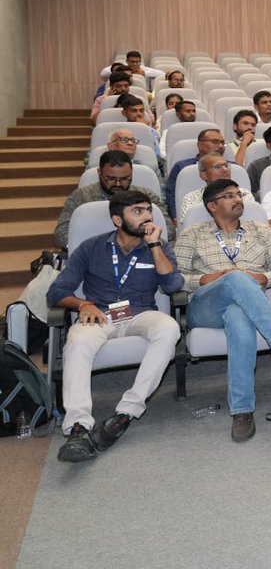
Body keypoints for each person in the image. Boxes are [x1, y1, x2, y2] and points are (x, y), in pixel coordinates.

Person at [174, 179, 271, 442]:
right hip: (205, 306)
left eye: (239, 194)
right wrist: (209, 278)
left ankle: (242, 411)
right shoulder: (192, 234)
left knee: (238, 313)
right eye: (229, 196)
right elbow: (175, 278)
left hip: (247, 305)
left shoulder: (261, 230)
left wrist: (258, 277)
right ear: (212, 206)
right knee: (234, 279)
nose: (238, 199)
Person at [48, 190, 182, 463]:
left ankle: (126, 412)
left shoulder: (158, 247)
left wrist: (155, 245)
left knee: (169, 329)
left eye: (148, 210)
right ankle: (78, 427)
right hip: (100, 315)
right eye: (137, 211)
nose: (146, 216)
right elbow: (56, 292)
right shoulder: (91, 248)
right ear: (117, 220)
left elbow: (173, 286)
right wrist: (83, 305)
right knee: (78, 339)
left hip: (140, 315)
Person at [55, 151, 169, 249]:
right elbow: (62, 234)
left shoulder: (147, 196)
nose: (118, 184)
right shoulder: (81, 196)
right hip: (92, 256)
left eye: (125, 179)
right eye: (111, 179)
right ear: (99, 173)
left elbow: (168, 229)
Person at [165, 128, 225, 219]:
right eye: (215, 141)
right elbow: (171, 195)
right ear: (200, 145)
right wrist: (175, 218)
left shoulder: (232, 167)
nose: (220, 146)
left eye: (222, 143)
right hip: (191, 217)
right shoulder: (182, 167)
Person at [178, 152, 247, 223]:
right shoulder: (191, 198)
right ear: (204, 175)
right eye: (217, 167)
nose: (225, 170)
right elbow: (189, 228)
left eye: (226, 166)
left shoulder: (244, 194)